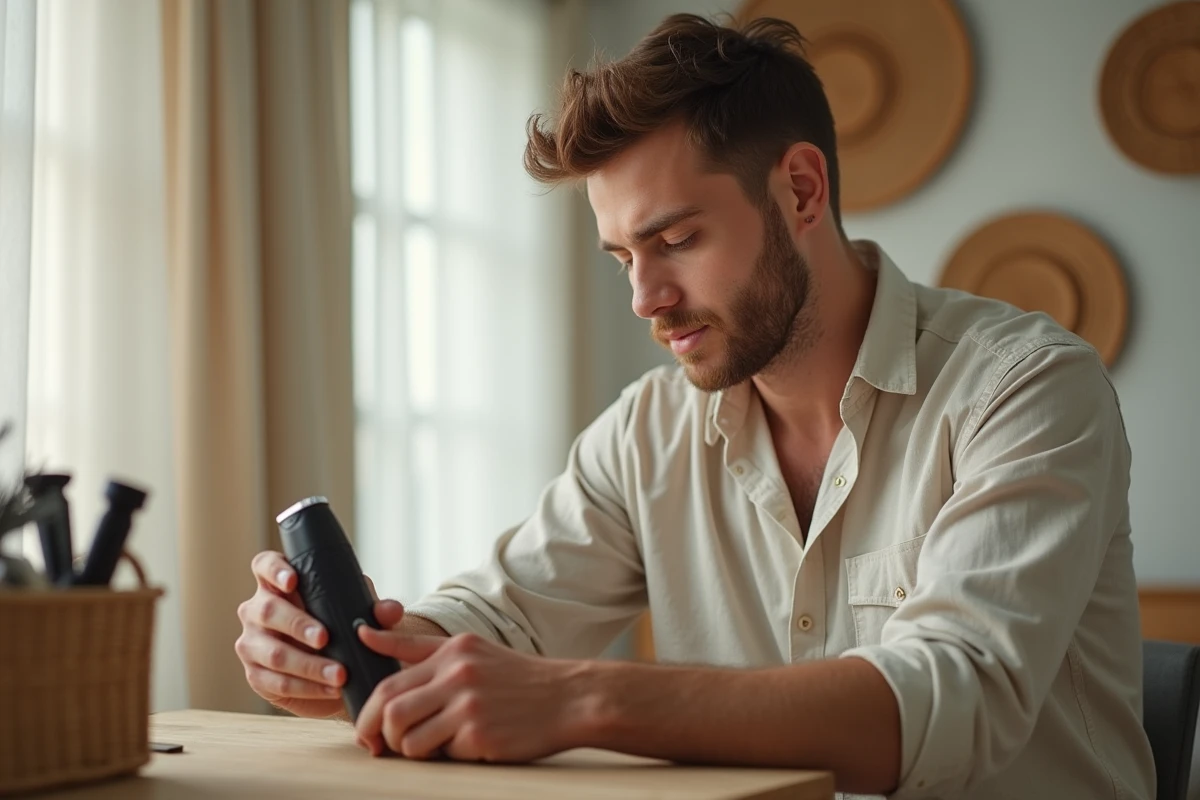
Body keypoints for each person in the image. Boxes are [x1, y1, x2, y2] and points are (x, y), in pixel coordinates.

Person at [234, 13, 1156, 799]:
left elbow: (958, 694)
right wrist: (341, 655)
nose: (645, 298)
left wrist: (579, 698)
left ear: (800, 190)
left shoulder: (1028, 389)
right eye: (622, 257)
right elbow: (501, 618)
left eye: (674, 239)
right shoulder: (645, 434)